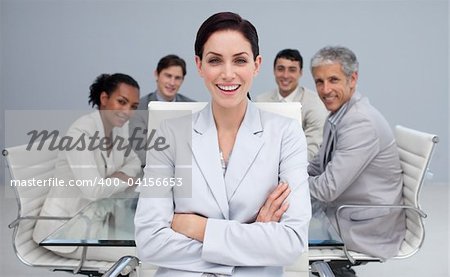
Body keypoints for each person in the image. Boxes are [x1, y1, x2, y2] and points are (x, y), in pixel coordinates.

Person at [134, 12, 311, 276]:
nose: (228, 74)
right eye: (215, 60)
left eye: (240, 60)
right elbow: (150, 242)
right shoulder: (169, 134)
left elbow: (291, 242)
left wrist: (198, 228)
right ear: (199, 65)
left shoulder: (286, 133)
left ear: (256, 64)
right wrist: (254, 236)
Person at [307, 46, 405, 276]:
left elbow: (327, 189)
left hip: (365, 226)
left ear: (353, 79)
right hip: (347, 211)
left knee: (277, 231)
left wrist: (284, 186)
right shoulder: (340, 114)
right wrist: (285, 174)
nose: (325, 89)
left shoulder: (359, 123)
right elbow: (316, 167)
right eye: (319, 81)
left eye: (333, 80)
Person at [33, 73, 142, 261]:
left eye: (133, 106)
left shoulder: (119, 129)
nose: (127, 112)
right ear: (104, 99)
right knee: (142, 253)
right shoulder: (80, 132)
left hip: (100, 219)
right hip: (66, 232)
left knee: (154, 239)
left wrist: (119, 177)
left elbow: (134, 162)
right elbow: (93, 190)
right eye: (122, 102)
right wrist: (124, 178)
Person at [256, 49, 328, 161]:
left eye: (292, 70)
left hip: (302, 169)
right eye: (281, 69)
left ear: (300, 73)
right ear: (274, 71)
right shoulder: (260, 102)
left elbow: (312, 150)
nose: (285, 75)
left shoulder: (315, 104)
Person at [129, 54, 195, 166]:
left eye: (177, 78)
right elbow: (139, 152)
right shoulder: (139, 108)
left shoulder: (193, 107)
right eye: (168, 76)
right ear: (157, 74)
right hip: (150, 173)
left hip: (186, 172)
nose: (172, 83)